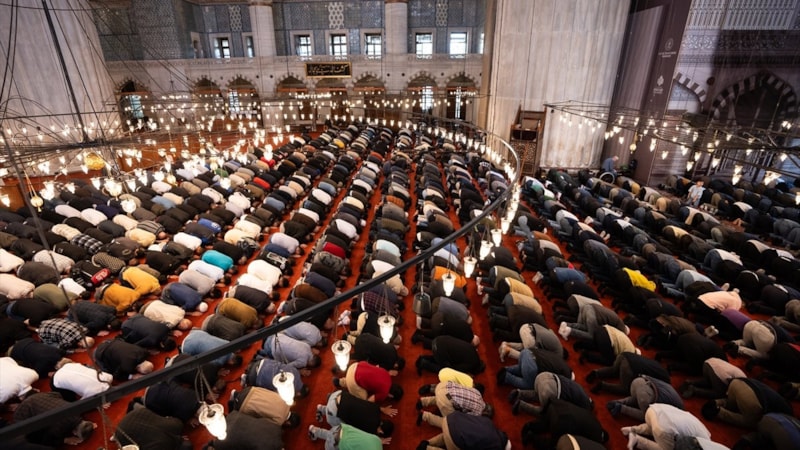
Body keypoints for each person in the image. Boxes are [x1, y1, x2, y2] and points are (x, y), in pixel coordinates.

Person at [621, 403, 713, 450]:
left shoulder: (703, 429)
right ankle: (637, 440)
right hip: (663, 428)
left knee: (655, 426)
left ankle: (632, 429)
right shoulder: (703, 441)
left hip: (653, 409)